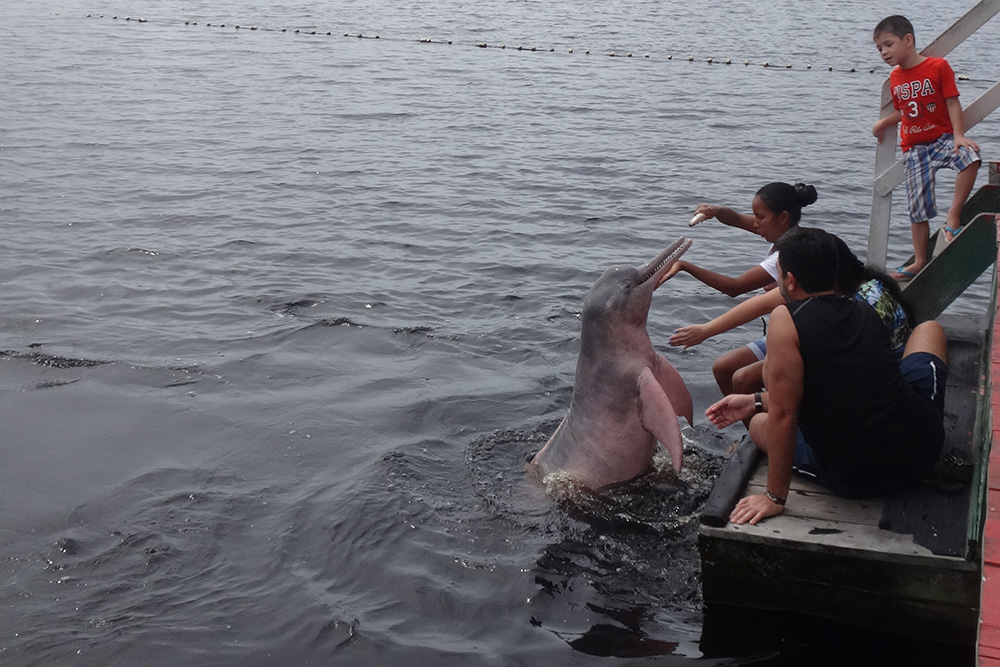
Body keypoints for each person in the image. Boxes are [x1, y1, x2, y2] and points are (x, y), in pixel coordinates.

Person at [705, 227, 948, 525]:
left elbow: (784, 413)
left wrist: (774, 497)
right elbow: (846, 386)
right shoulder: (864, 310)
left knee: (759, 425)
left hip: (855, 476)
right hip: (922, 449)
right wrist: (756, 399)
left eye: (778, 274)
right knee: (929, 330)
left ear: (790, 280)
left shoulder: (786, 319)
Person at [670, 235, 915, 395]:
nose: (777, 284)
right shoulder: (824, 285)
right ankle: (753, 429)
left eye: (780, 276)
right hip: (825, 343)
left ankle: (768, 434)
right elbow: (759, 304)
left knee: (744, 379)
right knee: (725, 367)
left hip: (867, 372)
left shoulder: (861, 305)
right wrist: (706, 330)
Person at [661, 182, 818, 394]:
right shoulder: (785, 234)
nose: (755, 224)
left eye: (760, 218)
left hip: (803, 336)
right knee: (724, 368)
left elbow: (735, 287)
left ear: (782, 218)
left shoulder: (786, 255)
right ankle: (744, 419)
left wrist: (686, 266)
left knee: (743, 378)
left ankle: (762, 417)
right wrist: (716, 211)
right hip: (785, 330)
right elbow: (735, 218)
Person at [871, 15, 981, 282]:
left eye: (888, 44)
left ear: (908, 40)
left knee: (970, 156)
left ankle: (953, 217)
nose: (884, 52)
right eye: (879, 49)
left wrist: (958, 135)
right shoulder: (895, 78)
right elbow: (905, 110)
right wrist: (885, 121)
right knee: (917, 206)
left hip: (942, 138)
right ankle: (920, 260)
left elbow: (952, 102)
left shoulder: (938, 66)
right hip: (915, 147)